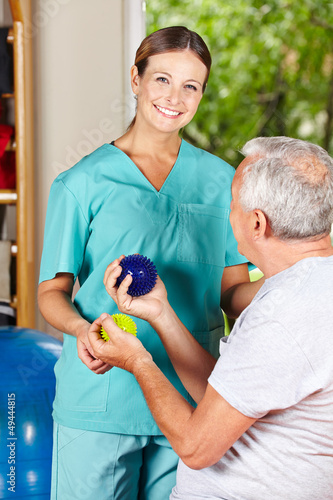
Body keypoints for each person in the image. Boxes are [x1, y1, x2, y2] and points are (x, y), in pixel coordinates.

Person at [38, 26, 262, 499]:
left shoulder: (223, 181)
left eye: (190, 86)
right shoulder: (81, 183)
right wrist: (84, 333)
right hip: (100, 396)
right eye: (162, 79)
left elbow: (232, 293)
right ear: (135, 79)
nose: (174, 98)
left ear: (201, 94)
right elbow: (50, 293)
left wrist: (297, 284)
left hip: (191, 399)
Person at [89, 136, 333, 500]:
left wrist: (137, 360)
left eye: (232, 202)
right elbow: (228, 396)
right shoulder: (309, 285)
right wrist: (161, 313)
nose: (228, 211)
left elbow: (194, 446)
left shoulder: (281, 315)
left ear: (256, 224)